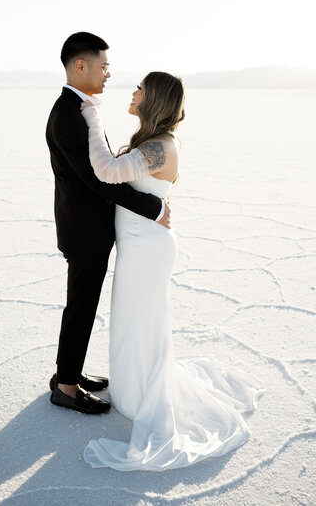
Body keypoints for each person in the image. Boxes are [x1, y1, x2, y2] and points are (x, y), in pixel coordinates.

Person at [80, 71, 266, 471]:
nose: (132, 93)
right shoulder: (153, 143)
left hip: (148, 250)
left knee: (141, 321)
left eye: (140, 89)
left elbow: (107, 171)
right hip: (140, 247)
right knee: (131, 320)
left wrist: (93, 119)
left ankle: (140, 394)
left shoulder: (161, 147)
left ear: (155, 100)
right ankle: (131, 389)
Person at [46, 32, 171, 415]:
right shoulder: (69, 114)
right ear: (79, 66)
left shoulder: (80, 108)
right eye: (103, 66)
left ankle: (70, 373)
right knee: (81, 306)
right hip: (84, 232)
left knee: (81, 303)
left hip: (88, 227)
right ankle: (66, 387)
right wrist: (152, 207)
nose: (108, 74)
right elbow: (96, 179)